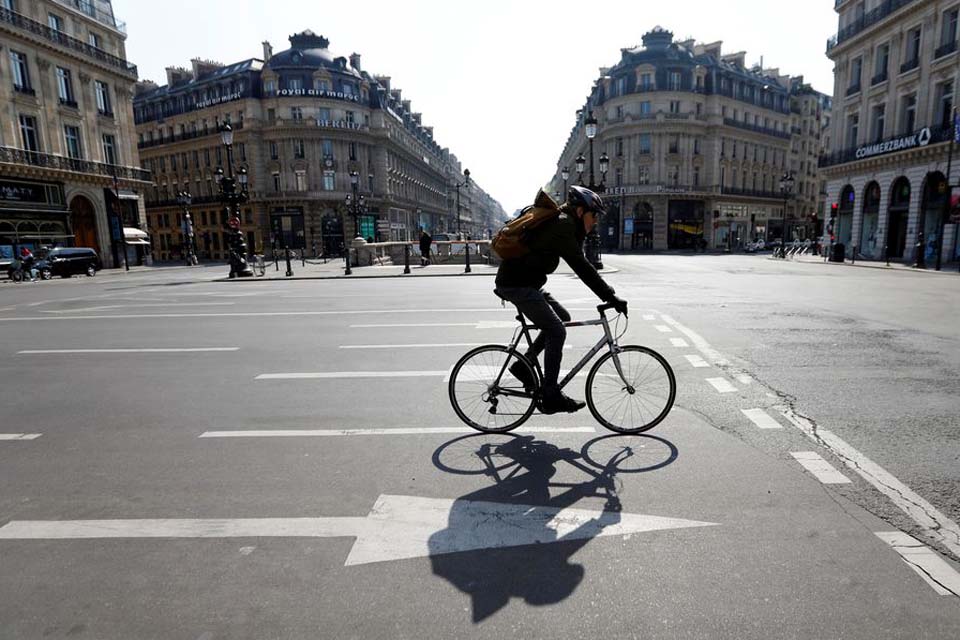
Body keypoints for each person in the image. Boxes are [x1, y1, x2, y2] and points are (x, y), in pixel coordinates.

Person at [494, 186, 628, 415]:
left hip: (527, 283)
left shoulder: (565, 223)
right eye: (593, 215)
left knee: (562, 318)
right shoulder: (564, 225)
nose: (595, 221)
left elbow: (581, 261)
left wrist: (608, 293)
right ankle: (551, 393)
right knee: (557, 330)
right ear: (579, 212)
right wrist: (610, 297)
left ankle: (523, 365)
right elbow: (582, 266)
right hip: (517, 285)